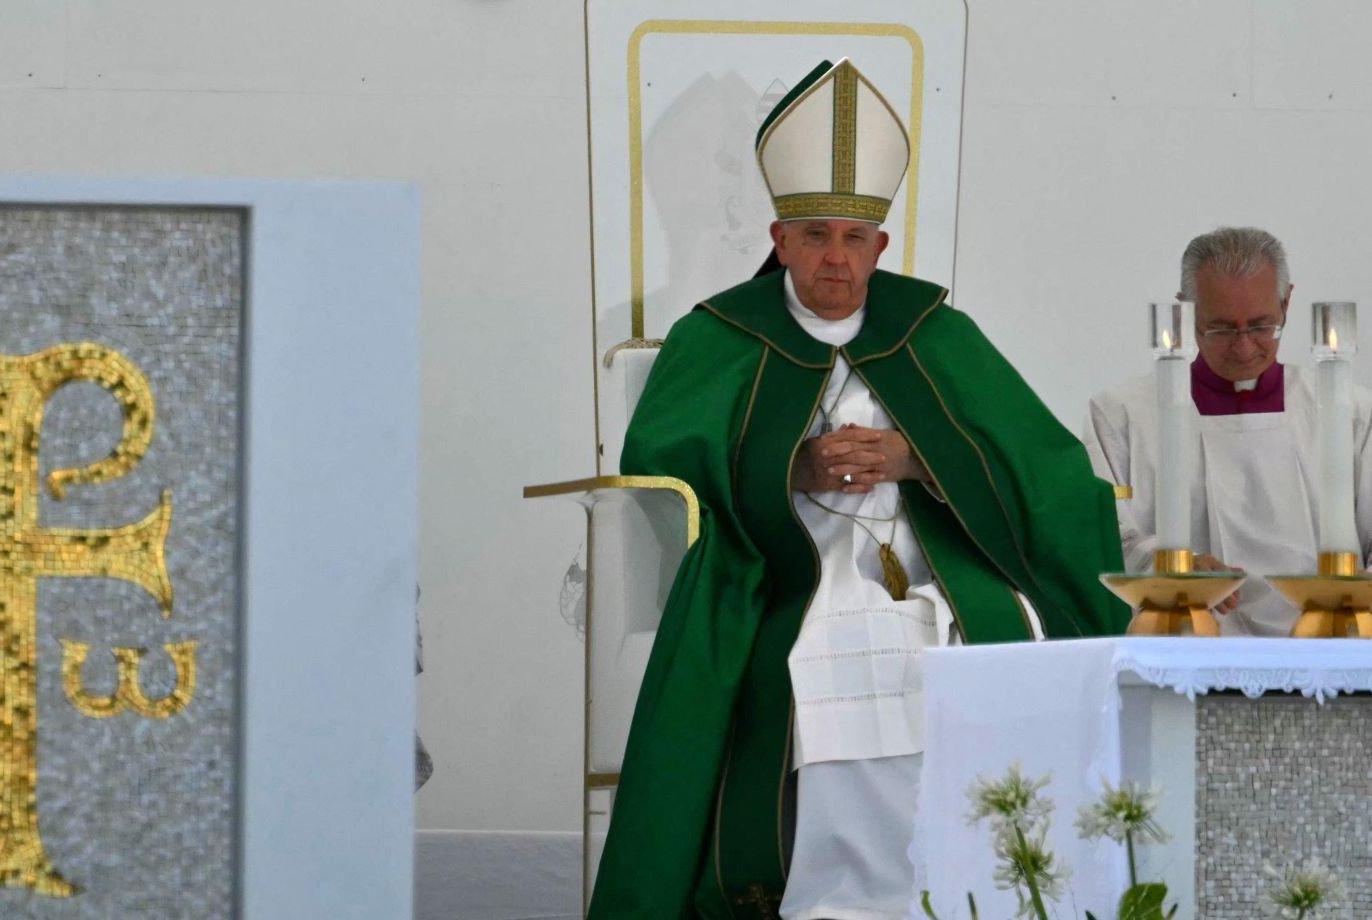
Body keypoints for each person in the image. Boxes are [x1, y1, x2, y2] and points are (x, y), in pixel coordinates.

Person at [588, 58, 1128, 920]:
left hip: (934, 554)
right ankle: (834, 898)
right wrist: (788, 468)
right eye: (814, 237)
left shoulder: (936, 331)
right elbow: (659, 461)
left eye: (853, 238)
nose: (835, 258)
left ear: (881, 245)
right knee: (835, 635)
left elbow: (1043, 463)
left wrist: (918, 458)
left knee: (980, 638)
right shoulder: (719, 335)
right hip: (786, 556)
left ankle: (966, 891)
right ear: (779, 240)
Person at [1084, 226, 1372, 636]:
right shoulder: (1122, 416)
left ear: (1286, 303)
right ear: (1185, 311)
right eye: (1221, 329)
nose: (1243, 348)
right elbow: (1105, 536)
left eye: (1260, 326)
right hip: (1182, 648)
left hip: (1326, 654)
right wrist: (1171, 567)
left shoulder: (1352, 413)